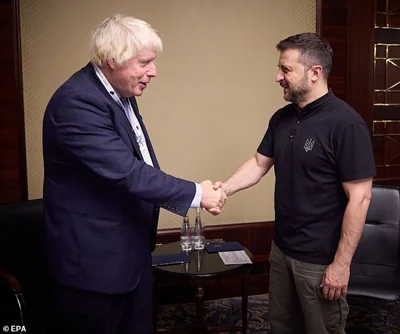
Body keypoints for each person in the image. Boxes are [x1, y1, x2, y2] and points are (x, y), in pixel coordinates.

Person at [42, 14, 225, 334]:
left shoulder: (116, 93)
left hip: (129, 250)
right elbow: (127, 172)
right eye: (145, 63)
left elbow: (141, 164)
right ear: (112, 60)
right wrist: (197, 194)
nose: (152, 72)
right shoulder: (77, 103)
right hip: (93, 264)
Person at [214, 33, 375, 333]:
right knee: (282, 327)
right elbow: (260, 162)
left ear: (315, 73)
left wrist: (340, 266)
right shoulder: (282, 118)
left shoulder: (346, 124)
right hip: (282, 251)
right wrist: (223, 189)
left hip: (319, 261)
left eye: (286, 69)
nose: (278, 77)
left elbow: (360, 198)